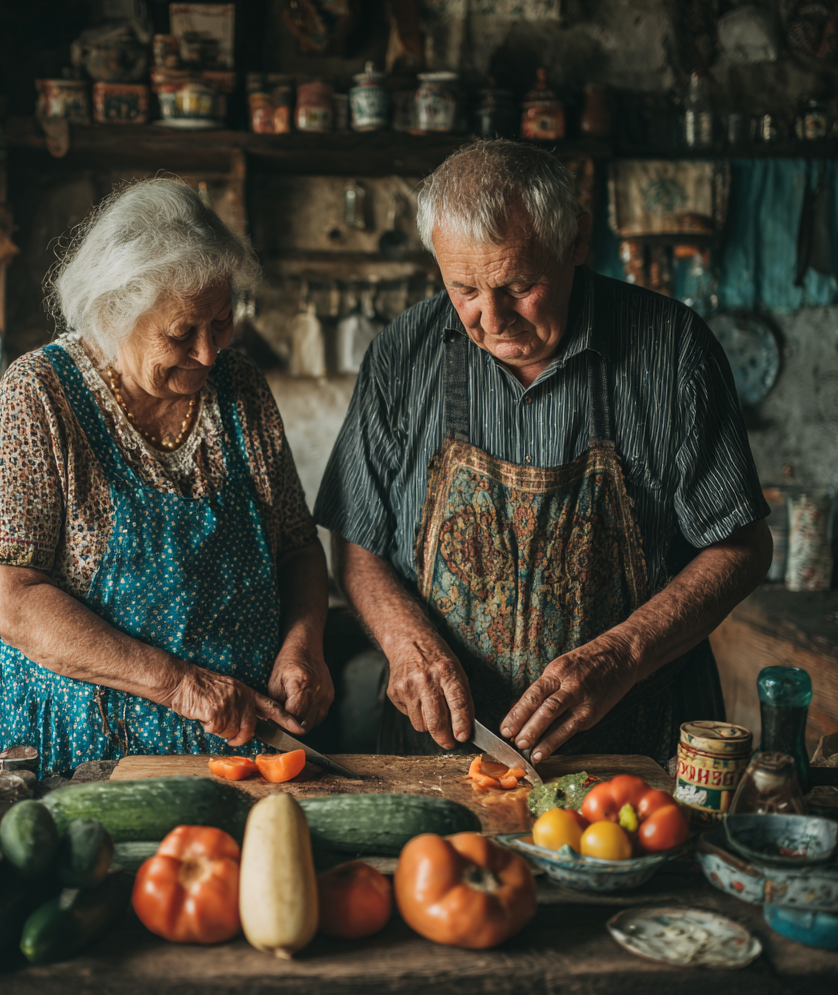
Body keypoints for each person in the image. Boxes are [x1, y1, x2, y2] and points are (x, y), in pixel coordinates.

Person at [315, 140, 772, 765]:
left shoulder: (672, 349)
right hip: (446, 755)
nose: (493, 318)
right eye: (465, 288)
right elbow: (357, 542)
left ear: (577, 241)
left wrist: (623, 655)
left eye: (519, 285)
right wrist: (406, 644)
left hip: (633, 752)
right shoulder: (403, 354)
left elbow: (740, 548)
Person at [0, 179, 331, 774]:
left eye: (222, 321)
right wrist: (182, 686)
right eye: (182, 332)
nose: (209, 353)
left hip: (239, 745)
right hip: (80, 752)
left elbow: (297, 547)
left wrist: (303, 646)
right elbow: (10, 601)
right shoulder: (40, 397)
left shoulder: (242, 389)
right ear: (113, 313)